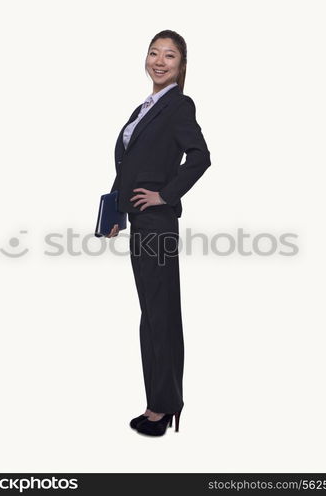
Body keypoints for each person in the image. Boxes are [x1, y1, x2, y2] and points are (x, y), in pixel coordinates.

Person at [105, 30, 211, 436]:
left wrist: (165, 195)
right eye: (154, 53)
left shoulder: (179, 105)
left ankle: (165, 408)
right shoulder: (144, 107)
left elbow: (200, 156)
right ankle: (157, 403)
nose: (159, 61)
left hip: (158, 224)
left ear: (181, 67)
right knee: (150, 314)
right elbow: (128, 166)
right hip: (140, 222)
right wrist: (116, 209)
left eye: (170, 56)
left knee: (160, 314)